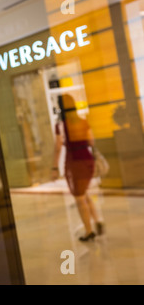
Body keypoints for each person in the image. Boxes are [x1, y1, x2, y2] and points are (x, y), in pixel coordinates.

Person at [51, 94, 104, 242]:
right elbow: (91, 141)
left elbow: (57, 147)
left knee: (79, 198)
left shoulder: (61, 126)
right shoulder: (83, 122)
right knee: (84, 193)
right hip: (87, 160)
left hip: (74, 162)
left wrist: (54, 167)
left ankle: (89, 231)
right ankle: (97, 220)